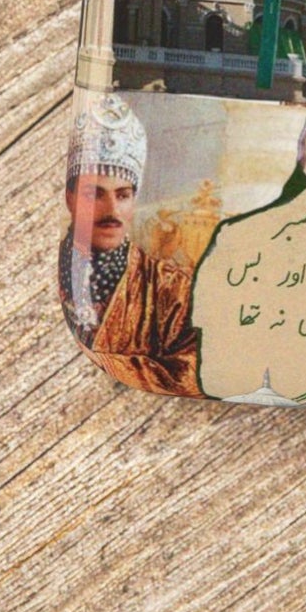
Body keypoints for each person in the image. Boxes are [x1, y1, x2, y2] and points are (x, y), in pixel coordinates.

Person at [58, 92, 202, 397]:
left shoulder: (171, 289)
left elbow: (195, 370)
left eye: (122, 195)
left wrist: (104, 364)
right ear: (70, 198)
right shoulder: (50, 271)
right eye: (95, 194)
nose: (112, 211)